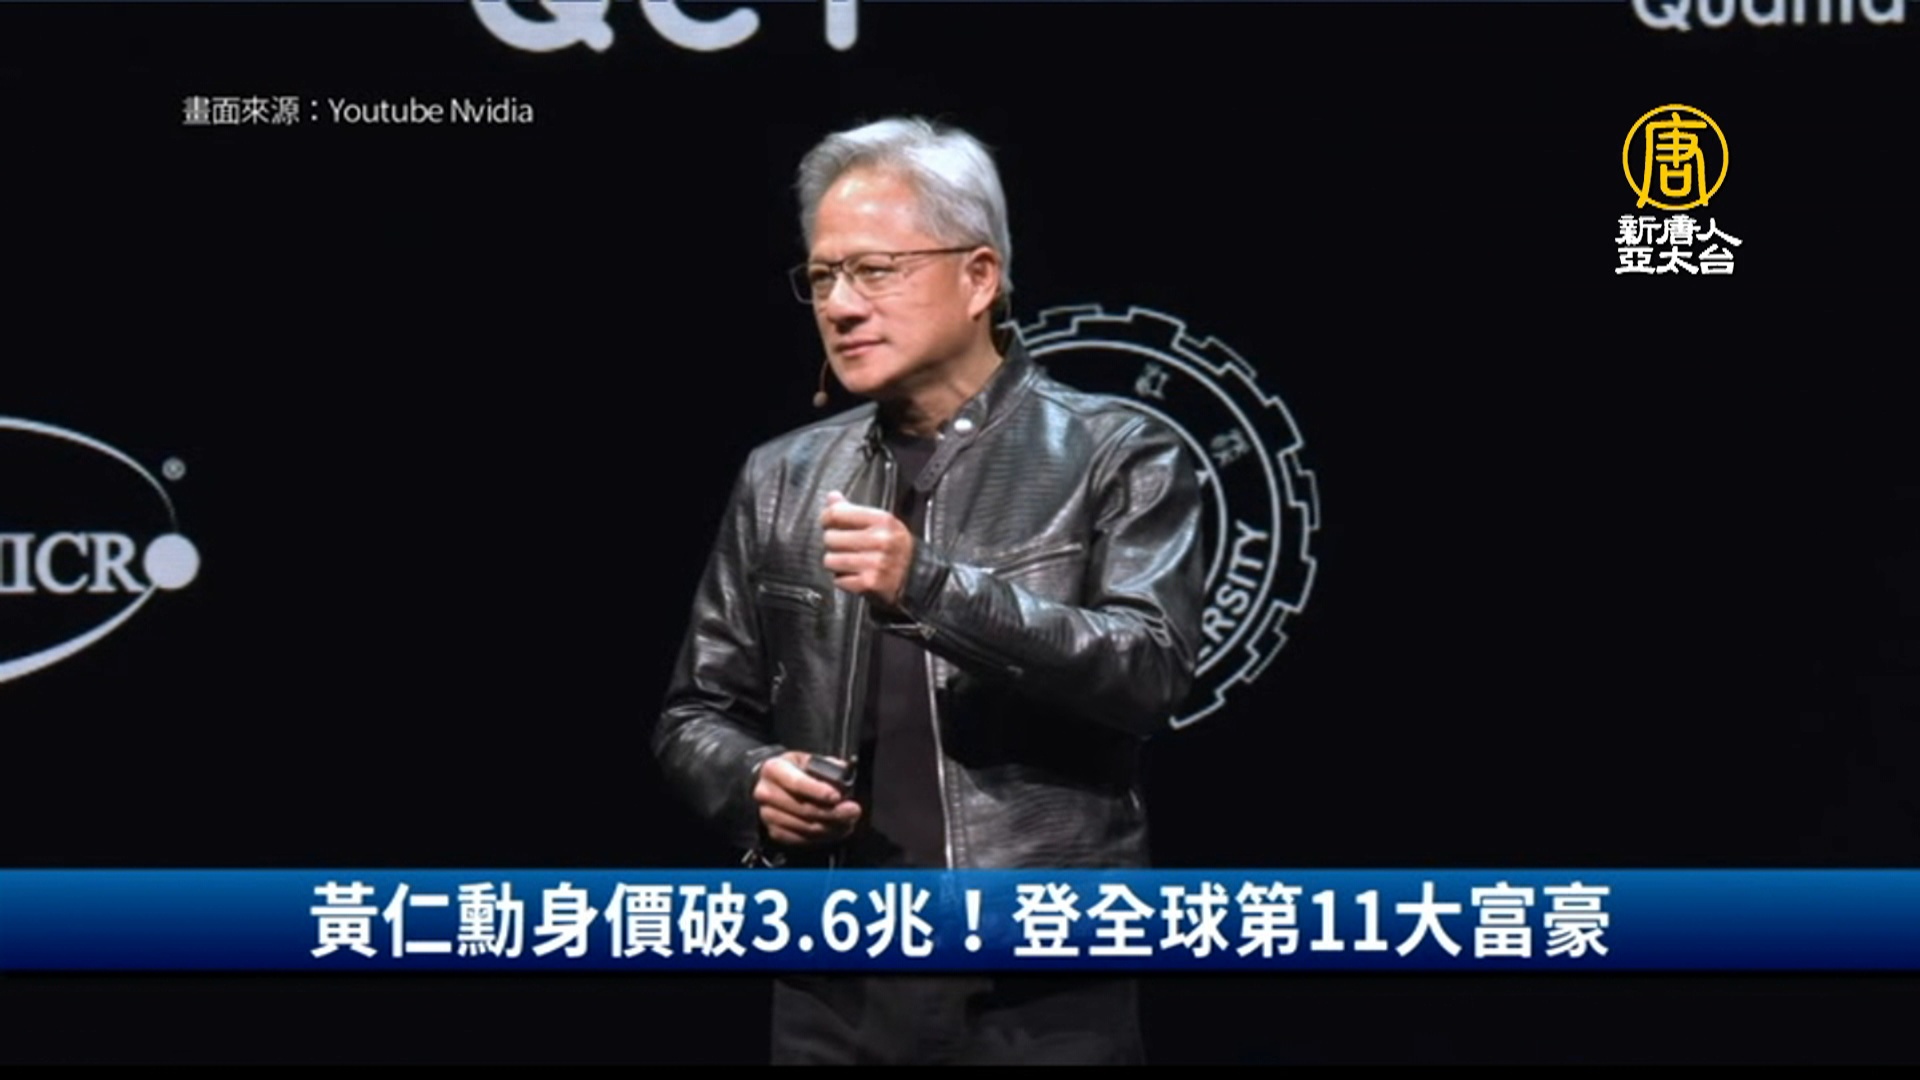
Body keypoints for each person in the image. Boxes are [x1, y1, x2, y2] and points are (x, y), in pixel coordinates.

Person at [653, 116, 1204, 1064]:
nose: (840, 305)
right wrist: (752, 781)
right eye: (822, 277)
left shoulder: (1117, 451)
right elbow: (695, 713)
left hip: (1038, 977)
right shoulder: (782, 476)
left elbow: (1148, 671)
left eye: (875, 271)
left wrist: (931, 589)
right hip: (835, 981)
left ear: (979, 276)